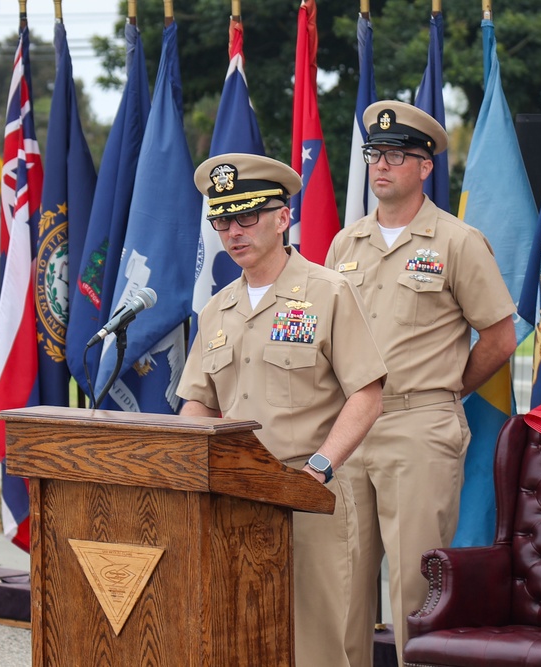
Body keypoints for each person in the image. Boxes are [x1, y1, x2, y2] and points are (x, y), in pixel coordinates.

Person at [325, 101, 518, 667]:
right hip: (349, 432)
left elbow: (501, 338)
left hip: (419, 428)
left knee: (415, 590)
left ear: (424, 166)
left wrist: (446, 391)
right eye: (373, 155)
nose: (380, 166)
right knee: (343, 589)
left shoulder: (457, 241)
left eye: (394, 156)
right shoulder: (345, 244)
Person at [177, 153, 387, 667]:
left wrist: (319, 469)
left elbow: (367, 392)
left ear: (283, 217)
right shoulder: (216, 309)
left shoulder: (328, 292)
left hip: (306, 490)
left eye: (246, 215)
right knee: (238, 636)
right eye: (222, 220)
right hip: (234, 495)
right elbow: (198, 402)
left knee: (314, 646)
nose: (233, 231)